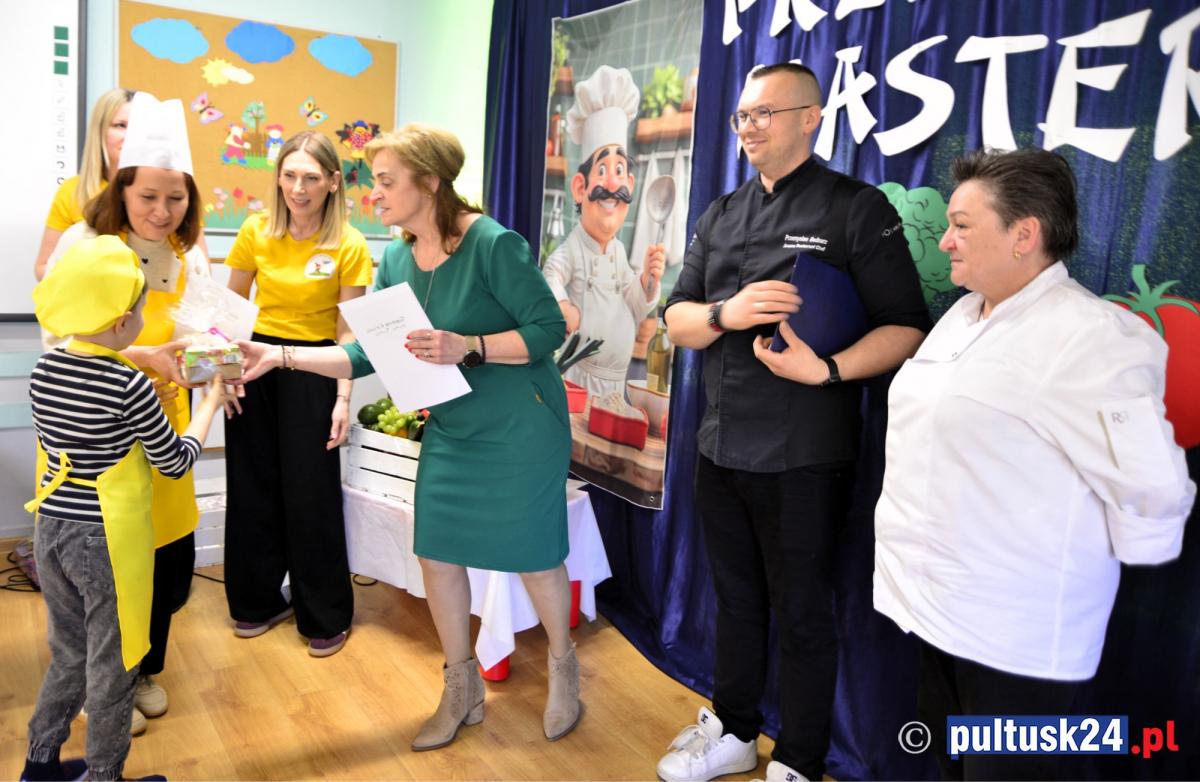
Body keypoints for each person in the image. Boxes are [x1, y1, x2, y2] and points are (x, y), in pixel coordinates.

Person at [234, 123, 579, 747]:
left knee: (534, 555)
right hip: (452, 427)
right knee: (437, 555)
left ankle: (563, 670)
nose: (375, 194)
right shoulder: (394, 258)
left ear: (430, 182)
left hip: (521, 428)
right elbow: (365, 354)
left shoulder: (493, 244)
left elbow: (548, 330)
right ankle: (461, 688)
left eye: (387, 181)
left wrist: (468, 345)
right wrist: (279, 356)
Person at [873, 148, 1196, 780]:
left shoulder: (1090, 336)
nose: (945, 240)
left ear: (1024, 234)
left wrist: (1131, 549)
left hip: (1015, 634)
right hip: (936, 606)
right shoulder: (964, 316)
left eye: (962, 226)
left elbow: (1151, 484)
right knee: (947, 762)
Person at [659, 62, 931, 782]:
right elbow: (676, 320)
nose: (748, 127)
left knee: (805, 613)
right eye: (742, 116)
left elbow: (907, 326)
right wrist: (727, 312)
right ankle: (735, 731)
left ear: (811, 118)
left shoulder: (855, 208)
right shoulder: (720, 213)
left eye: (765, 114)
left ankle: (802, 760)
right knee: (736, 601)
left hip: (805, 454)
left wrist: (828, 370)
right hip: (720, 444)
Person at [22, 235, 224, 782]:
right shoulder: (129, 382)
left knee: (69, 653)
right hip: (103, 536)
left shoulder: (45, 368)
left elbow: (85, 435)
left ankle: (39, 764)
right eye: (139, 309)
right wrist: (206, 406)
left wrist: (142, 407)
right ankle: (104, 774)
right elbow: (174, 462)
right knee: (114, 663)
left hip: (52, 528)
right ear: (119, 322)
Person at [42, 91, 212, 735]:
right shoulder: (84, 244)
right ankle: (100, 682)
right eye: (148, 197)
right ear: (122, 188)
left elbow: (199, 338)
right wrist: (142, 357)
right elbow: (61, 339)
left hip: (163, 423)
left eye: (177, 198)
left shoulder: (191, 254)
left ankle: (140, 672)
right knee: (105, 566)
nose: (163, 212)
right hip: (96, 437)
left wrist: (205, 369)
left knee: (164, 561)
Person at [222, 130, 371, 657]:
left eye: (310, 178)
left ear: (333, 182)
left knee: (311, 493)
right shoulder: (255, 230)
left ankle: (323, 615)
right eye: (289, 176)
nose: (298, 189)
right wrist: (227, 375)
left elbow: (348, 331)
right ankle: (255, 603)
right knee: (251, 485)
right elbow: (231, 309)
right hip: (254, 363)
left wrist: (343, 398)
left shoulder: (349, 244)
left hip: (314, 366)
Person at [542, 65, 664, 399]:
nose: (612, 184)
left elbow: (636, 305)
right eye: (602, 170)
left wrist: (648, 281)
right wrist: (563, 304)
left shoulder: (619, 252)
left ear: (630, 185)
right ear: (580, 188)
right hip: (578, 379)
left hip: (616, 384)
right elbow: (551, 274)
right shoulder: (573, 248)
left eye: (620, 170)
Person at [34, 89, 133, 282]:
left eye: (138, 127)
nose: (130, 135)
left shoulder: (167, 192)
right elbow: (43, 267)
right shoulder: (72, 192)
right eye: (120, 125)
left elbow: (191, 263)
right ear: (100, 130)